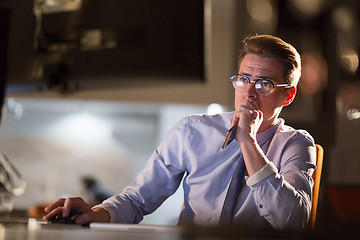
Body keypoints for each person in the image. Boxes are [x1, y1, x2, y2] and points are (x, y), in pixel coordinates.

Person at [43, 34, 316, 231]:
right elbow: (137, 200)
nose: (249, 92)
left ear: (288, 95)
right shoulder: (193, 130)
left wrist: (248, 141)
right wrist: (94, 214)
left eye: (264, 84)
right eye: (244, 79)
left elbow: (292, 222)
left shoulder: (296, 144)